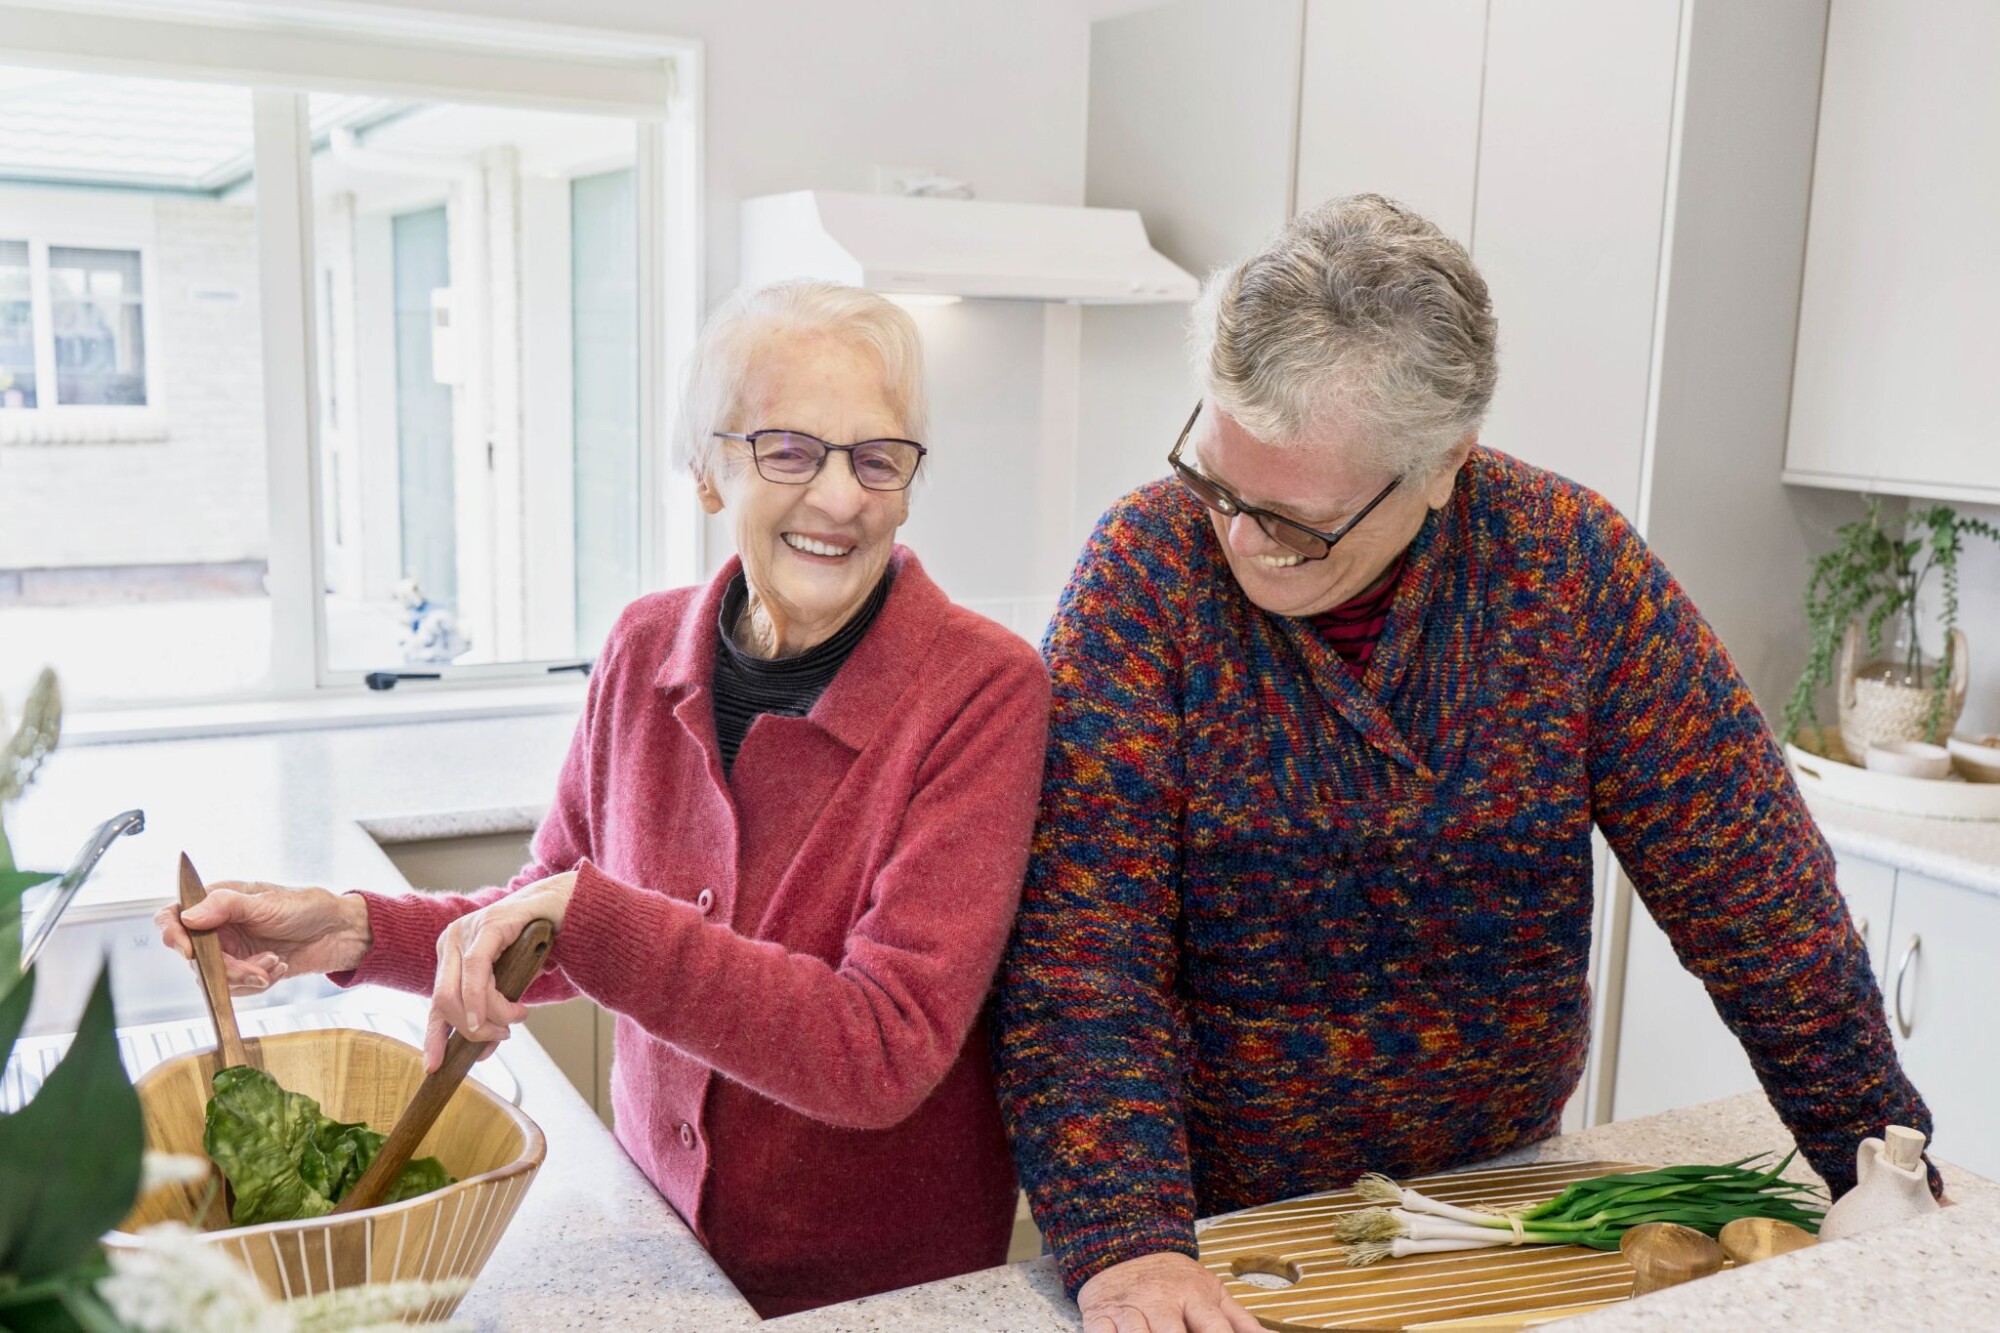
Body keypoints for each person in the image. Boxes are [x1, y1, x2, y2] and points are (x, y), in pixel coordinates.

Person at [993, 194, 1936, 1333]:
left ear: (1442, 464)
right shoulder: (1144, 575)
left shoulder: (1566, 571)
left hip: (1494, 1196)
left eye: (1295, 523)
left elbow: (1755, 895)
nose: (1241, 540)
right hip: (1204, 1222)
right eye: (1215, 482)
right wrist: (1129, 1245)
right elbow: (1082, 959)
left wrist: (1877, 1165)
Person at [159, 280, 1049, 1317]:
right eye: (789, 450)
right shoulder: (640, 651)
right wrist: (350, 930)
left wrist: (583, 916)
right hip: (662, 1249)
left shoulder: (983, 691)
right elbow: (547, 906)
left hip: (879, 1295)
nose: (842, 497)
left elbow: (881, 1047)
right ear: (708, 471)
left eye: (876, 456)